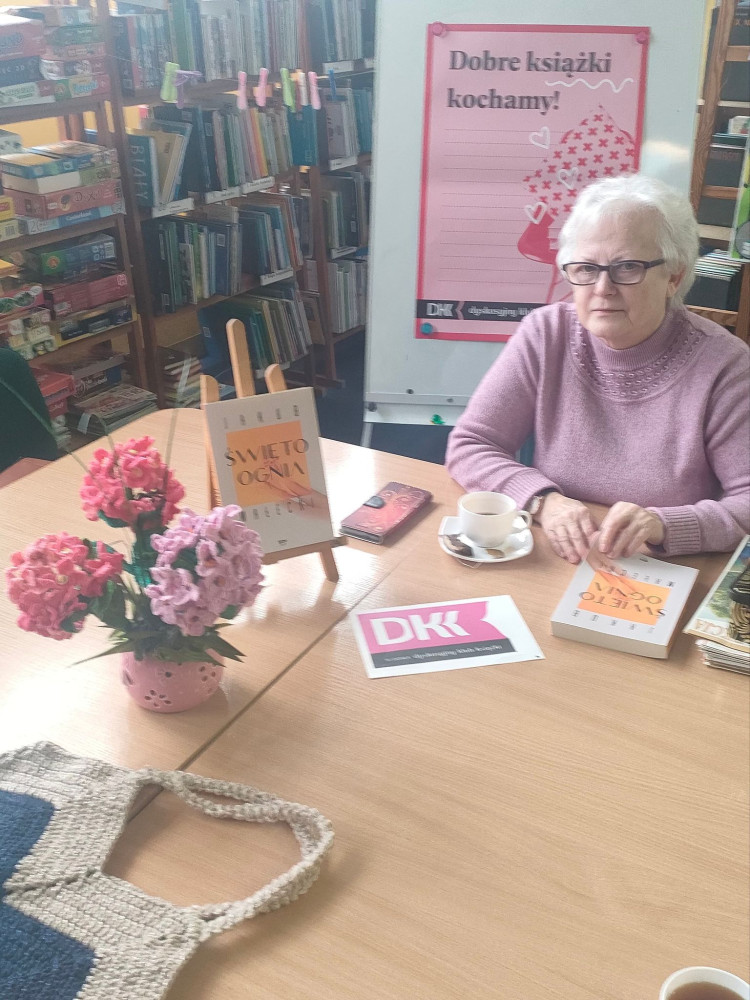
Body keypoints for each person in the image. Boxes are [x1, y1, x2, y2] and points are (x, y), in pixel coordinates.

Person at [445, 174, 750, 564]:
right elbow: (471, 444)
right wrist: (543, 500)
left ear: (673, 276)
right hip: (555, 554)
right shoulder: (546, 333)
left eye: (627, 267)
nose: (602, 288)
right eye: (587, 268)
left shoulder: (725, 364)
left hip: (663, 566)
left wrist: (664, 524)